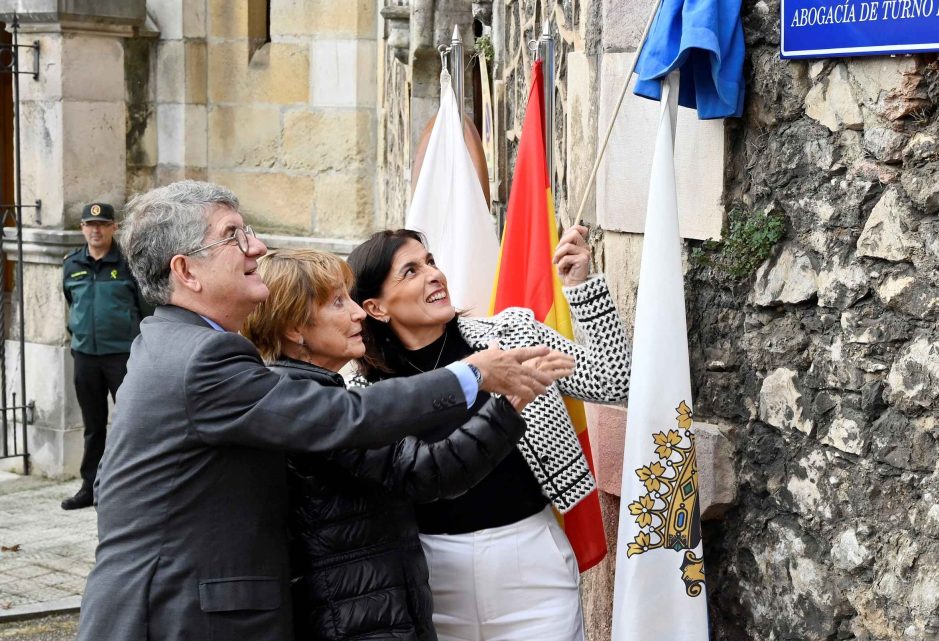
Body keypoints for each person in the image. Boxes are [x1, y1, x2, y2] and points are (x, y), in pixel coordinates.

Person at [76, 180, 562, 641]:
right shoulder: (203, 358)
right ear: (185, 271)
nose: (257, 247)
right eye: (233, 236)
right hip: (177, 617)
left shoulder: (172, 342)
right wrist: (474, 375)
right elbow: (352, 419)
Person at [243, 248, 569, 641]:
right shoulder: (310, 405)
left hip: (376, 605)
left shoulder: (305, 392)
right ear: (295, 329)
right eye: (337, 302)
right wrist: (509, 403)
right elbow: (427, 471)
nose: (357, 313)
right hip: (358, 617)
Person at [347, 226, 632, 641]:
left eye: (430, 262)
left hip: (532, 562)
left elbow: (613, 380)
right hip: (429, 574)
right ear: (375, 308)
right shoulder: (365, 393)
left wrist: (580, 288)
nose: (433, 274)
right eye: (410, 271)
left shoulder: (510, 334)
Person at [60, 202, 149, 510]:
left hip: (122, 356)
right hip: (85, 356)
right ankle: (90, 486)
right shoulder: (72, 264)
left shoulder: (127, 265)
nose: (95, 230)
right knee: (93, 425)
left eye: (102, 224)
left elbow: (145, 310)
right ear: (83, 228)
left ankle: (133, 488)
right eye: (89, 225)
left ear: (114, 227)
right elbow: (71, 302)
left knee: (132, 423)